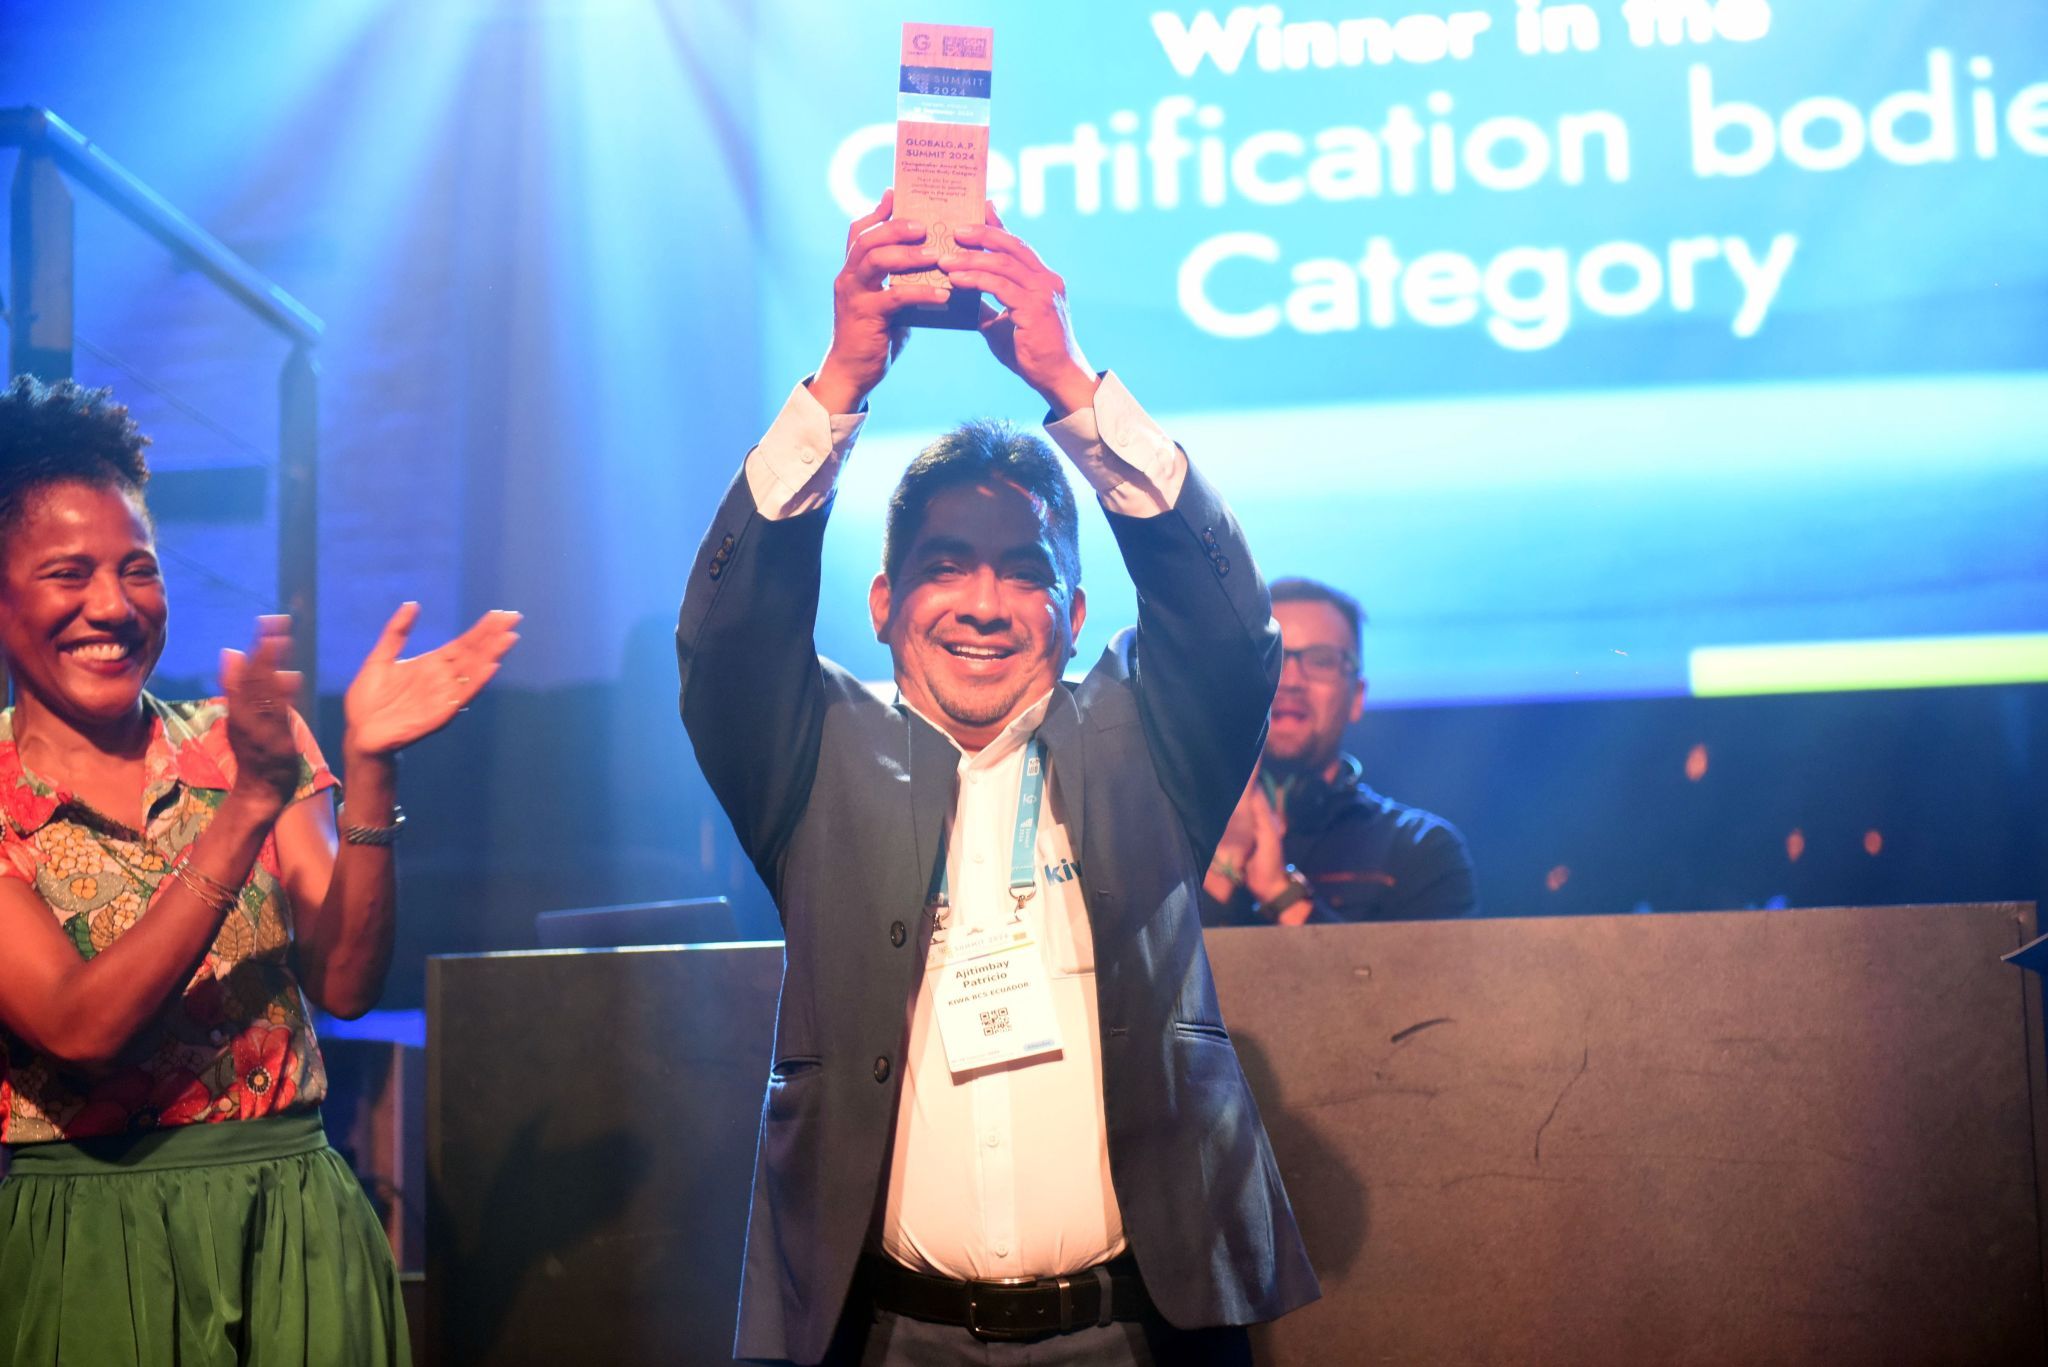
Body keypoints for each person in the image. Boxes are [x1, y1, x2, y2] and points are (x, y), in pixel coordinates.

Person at [678, 191, 1317, 1365]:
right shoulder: (815, 755)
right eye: (944, 565)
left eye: (1023, 571)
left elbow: (1230, 631)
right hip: (894, 1338)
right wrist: (839, 384)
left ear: (1072, 613)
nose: (982, 602)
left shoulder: (1143, 739)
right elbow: (723, 643)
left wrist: (1070, 385)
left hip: (1134, 1335)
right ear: (883, 602)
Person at [0, 375, 520, 1365]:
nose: (112, 604)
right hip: (94, 1239)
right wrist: (244, 814)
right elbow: (78, 1025)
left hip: (292, 1222)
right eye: (69, 573)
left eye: (139, 569)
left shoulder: (242, 741)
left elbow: (346, 982)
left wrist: (370, 764)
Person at [1201, 577, 1477, 927]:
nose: (1290, 680)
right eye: (1270, 655)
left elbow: (1417, 968)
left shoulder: (1421, 849)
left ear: (1357, 697)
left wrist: (1280, 893)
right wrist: (1223, 862)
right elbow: (1150, 962)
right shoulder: (1169, 842)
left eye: (1321, 661)